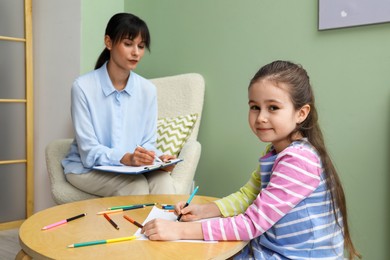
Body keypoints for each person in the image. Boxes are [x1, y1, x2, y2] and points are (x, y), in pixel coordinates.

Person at [142, 60, 361, 259]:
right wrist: (204, 211)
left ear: (301, 113)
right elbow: (249, 195)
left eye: (273, 108)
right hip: (271, 247)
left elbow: (252, 223)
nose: (261, 117)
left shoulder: (298, 161)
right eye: (255, 107)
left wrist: (178, 230)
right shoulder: (276, 152)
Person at [62, 13, 176, 196]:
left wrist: (158, 159)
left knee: (163, 181)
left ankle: (169, 225)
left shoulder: (148, 90)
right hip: (87, 168)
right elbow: (89, 151)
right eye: (128, 44)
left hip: (132, 168)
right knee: (135, 186)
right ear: (109, 42)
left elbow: (147, 142)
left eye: (141, 46)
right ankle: (138, 226)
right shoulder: (82, 87)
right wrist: (125, 158)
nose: (136, 52)